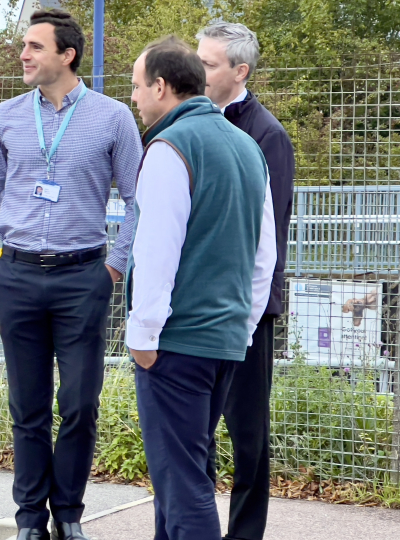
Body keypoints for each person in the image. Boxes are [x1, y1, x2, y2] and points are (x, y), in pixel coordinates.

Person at [0, 9, 142, 540]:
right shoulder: (4, 117)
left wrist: (114, 267)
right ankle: (29, 521)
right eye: (25, 46)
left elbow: (138, 201)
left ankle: (68, 515)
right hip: (15, 275)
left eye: (35, 47)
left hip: (82, 278)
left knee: (79, 404)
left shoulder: (113, 118)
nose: (24, 55)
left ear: (66, 55)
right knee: (27, 407)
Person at [127, 36, 276, 540]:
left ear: (163, 86)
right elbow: (265, 255)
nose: (134, 98)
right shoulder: (248, 147)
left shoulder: (170, 146)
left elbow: (155, 251)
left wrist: (143, 337)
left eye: (137, 86)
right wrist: (244, 324)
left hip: (175, 343)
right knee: (183, 475)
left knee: (183, 483)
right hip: (226, 342)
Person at [197, 22, 295, 540]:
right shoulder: (190, 124)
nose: (198, 70)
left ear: (240, 71)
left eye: (209, 64)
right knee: (197, 432)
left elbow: (268, 240)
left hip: (248, 313)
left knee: (248, 435)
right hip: (199, 308)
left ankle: (244, 534)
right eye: (198, 60)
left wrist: (249, 315)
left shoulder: (267, 135)